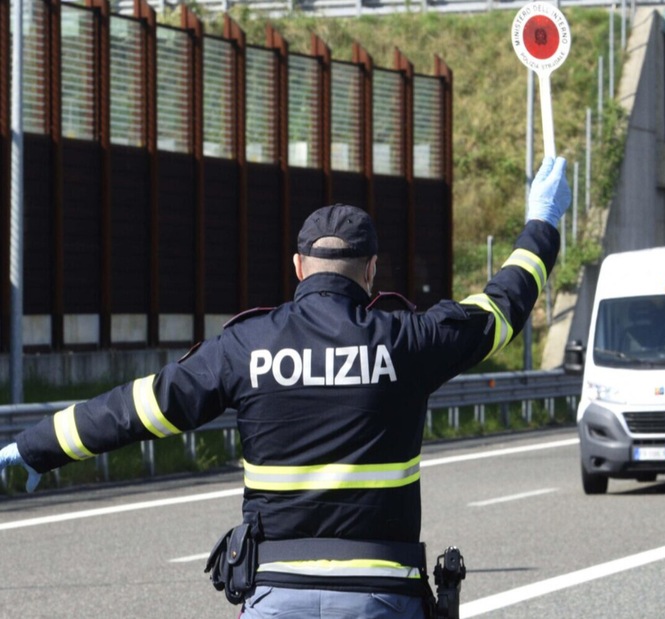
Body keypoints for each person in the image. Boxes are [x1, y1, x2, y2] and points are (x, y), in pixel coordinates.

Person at [0, 156, 572, 618]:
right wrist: (541, 225)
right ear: (371, 271)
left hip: (275, 594)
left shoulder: (247, 346)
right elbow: (500, 308)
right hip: (381, 594)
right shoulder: (407, 341)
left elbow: (140, 408)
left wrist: (34, 448)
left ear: (299, 266)